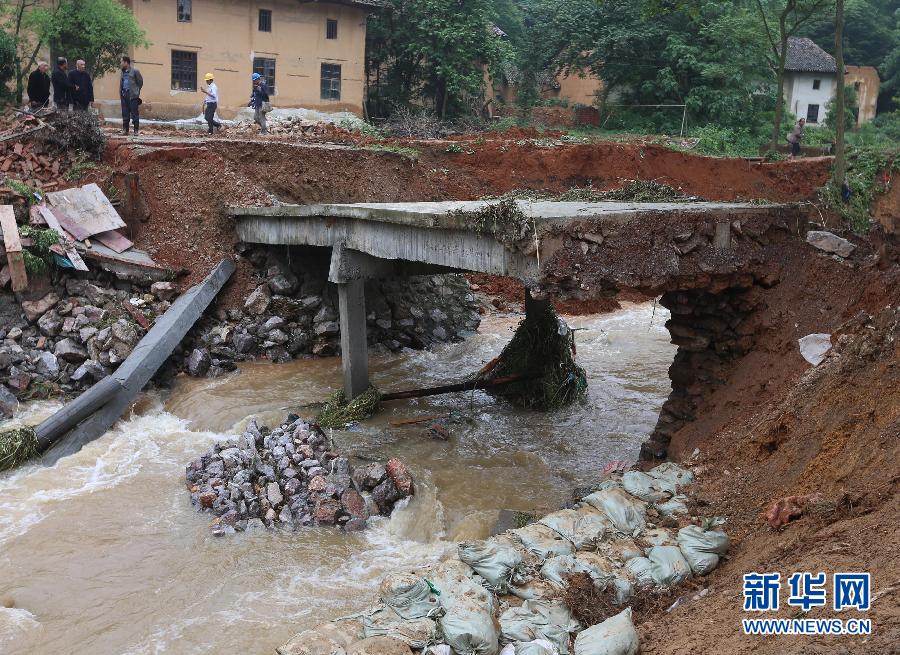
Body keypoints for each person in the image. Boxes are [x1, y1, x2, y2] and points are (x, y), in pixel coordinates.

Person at [120, 56, 143, 136]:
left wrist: (136, 92)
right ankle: (125, 130)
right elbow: (122, 83)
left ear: (126, 62)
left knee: (134, 114)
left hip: (132, 95)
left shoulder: (135, 71)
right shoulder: (122, 72)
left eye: (121, 62)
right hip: (124, 94)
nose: (121, 63)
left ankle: (136, 131)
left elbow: (140, 82)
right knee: (125, 113)